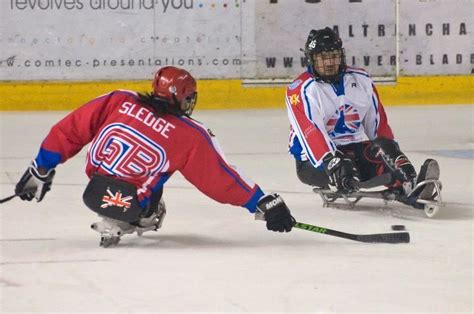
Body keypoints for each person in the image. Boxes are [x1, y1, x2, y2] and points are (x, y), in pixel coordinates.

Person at [15, 66, 295, 247]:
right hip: (135, 203)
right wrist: (260, 202)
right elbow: (217, 178)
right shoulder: (189, 133)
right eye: (189, 97)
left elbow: (69, 130)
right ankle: (139, 217)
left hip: (94, 191)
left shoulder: (119, 99)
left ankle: (118, 211)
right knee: (164, 165)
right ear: (181, 96)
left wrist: (41, 168)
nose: (189, 103)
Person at [285, 27, 440, 207]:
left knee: (386, 152)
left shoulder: (361, 79)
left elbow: (378, 125)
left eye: (333, 56)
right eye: (323, 58)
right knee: (344, 166)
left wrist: (392, 154)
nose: (329, 63)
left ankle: (411, 185)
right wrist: (331, 161)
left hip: (354, 150)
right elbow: (310, 132)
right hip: (313, 162)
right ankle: (343, 174)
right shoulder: (301, 89)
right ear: (311, 59)